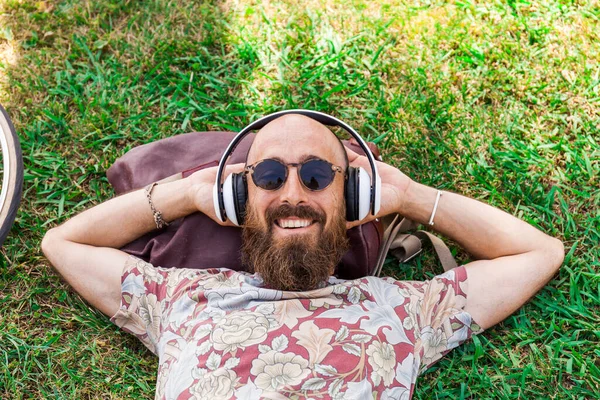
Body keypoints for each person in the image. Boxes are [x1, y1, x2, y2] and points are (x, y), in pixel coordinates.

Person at [42, 113, 564, 399]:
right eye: (268, 176)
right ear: (242, 200)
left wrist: (409, 196)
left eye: (316, 176)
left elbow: (539, 252)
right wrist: (189, 193)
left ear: (353, 199)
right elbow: (63, 244)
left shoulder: (400, 310)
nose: (293, 192)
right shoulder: (184, 298)